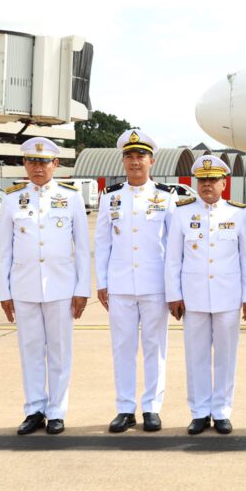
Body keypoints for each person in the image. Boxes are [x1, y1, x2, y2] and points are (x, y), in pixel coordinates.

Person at [0, 138, 91, 435]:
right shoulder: (12, 198)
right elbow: (3, 250)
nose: (38, 167)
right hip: (24, 287)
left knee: (60, 352)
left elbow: (82, 247)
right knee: (31, 351)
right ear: (25, 164)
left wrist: (82, 289)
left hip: (61, 287)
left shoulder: (71, 197)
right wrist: (4, 292)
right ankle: (34, 409)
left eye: (44, 162)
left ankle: (57, 411)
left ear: (55, 164)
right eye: (32, 161)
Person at [165, 155, 246, 435]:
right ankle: (199, 412)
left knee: (226, 357)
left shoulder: (237, 213)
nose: (207, 184)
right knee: (197, 357)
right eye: (202, 180)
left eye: (213, 179)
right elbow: (173, 259)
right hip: (193, 298)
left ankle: (222, 411)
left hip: (228, 297)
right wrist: (174, 294)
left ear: (223, 183)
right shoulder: (182, 212)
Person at [94, 129, 176, 433]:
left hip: (155, 285)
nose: (135, 161)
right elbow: (102, 242)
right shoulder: (110, 197)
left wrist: (173, 288)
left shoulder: (166, 196)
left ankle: (152, 408)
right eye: (129, 155)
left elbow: (173, 246)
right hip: (120, 285)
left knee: (155, 348)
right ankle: (125, 408)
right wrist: (102, 283)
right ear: (123, 160)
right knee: (123, 348)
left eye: (141, 155)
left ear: (151, 161)